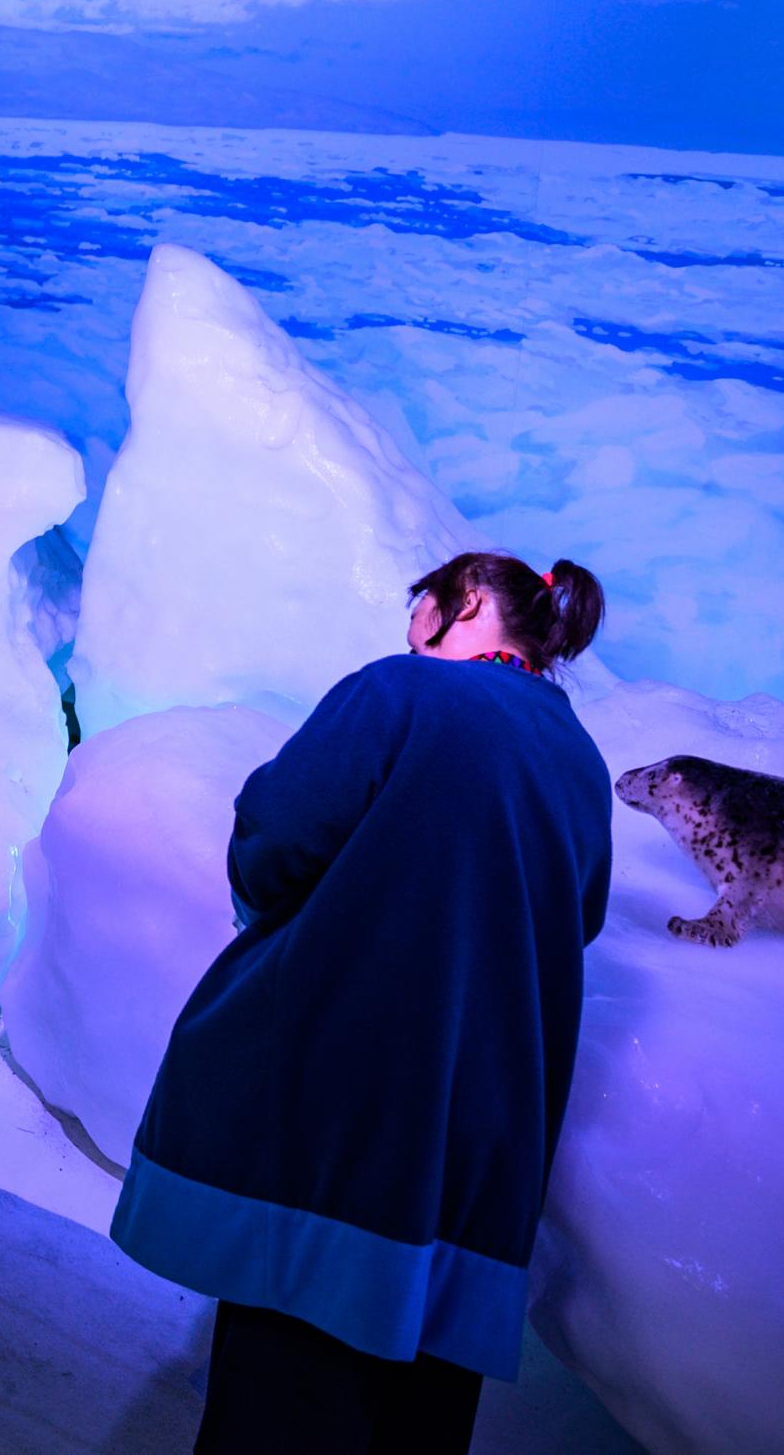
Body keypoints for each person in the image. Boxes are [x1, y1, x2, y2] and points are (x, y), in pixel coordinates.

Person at [108, 552, 613, 1455]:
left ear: (459, 603)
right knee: (412, 1415)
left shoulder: (402, 693)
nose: (407, 626)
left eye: (416, 604)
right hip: (480, 1152)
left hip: (345, 1112)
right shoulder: (576, 757)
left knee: (285, 1401)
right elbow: (578, 918)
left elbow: (274, 836)